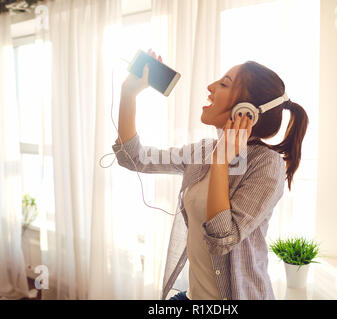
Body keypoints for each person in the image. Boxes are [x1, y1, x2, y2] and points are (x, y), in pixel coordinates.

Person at [113, 49, 309, 300]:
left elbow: (222, 239)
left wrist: (220, 162)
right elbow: (133, 158)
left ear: (246, 111)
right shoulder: (204, 151)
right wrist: (128, 93)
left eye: (224, 84)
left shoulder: (267, 165)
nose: (210, 87)